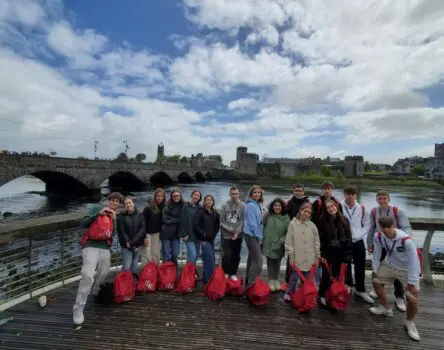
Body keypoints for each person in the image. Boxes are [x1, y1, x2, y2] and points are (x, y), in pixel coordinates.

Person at [73, 192, 123, 325]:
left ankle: (95, 290)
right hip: (91, 245)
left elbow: (112, 235)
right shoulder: (96, 209)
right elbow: (83, 223)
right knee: (87, 275)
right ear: (109, 201)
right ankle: (78, 308)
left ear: (119, 204)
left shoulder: (114, 215)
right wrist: (98, 214)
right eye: (112, 200)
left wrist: (114, 220)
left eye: (117, 202)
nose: (114, 203)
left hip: (105, 248)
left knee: (104, 272)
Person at [369, 216, 421, 341]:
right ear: (380, 227)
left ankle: (409, 323)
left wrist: (412, 281)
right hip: (389, 264)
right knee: (376, 281)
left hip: (406, 269)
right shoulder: (379, 236)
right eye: (383, 227)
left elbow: (414, 261)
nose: (386, 230)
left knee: (412, 299)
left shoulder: (406, 240)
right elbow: (376, 254)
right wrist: (375, 270)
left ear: (394, 226)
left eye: (389, 227)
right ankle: (386, 308)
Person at [367, 190, 412, 311]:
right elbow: (372, 228)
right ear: (376, 200)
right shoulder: (373, 211)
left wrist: (404, 242)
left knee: (397, 269)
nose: (382, 201)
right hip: (380, 244)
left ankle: (399, 297)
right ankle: (378, 290)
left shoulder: (398, 211)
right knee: (380, 267)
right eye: (379, 198)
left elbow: (407, 228)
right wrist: (369, 243)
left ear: (389, 199)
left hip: (395, 245)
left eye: (384, 198)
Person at [340, 185, 374, 304]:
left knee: (360, 265)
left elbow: (367, 224)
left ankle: (360, 289)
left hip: (358, 240)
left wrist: (359, 235)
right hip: (344, 240)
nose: (349, 196)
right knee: (346, 264)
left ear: (356, 195)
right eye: (347, 193)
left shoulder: (362, 208)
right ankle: (347, 285)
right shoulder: (339, 206)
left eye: (352, 194)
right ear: (344, 195)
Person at [318, 199, 353, 306]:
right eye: (328, 207)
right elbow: (321, 239)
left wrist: (348, 255)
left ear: (336, 206)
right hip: (328, 252)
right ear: (325, 210)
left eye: (332, 206)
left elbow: (349, 238)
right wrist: (321, 254)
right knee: (326, 275)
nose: (331, 209)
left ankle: (334, 292)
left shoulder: (344, 220)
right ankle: (322, 294)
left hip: (341, 252)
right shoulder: (322, 220)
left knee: (338, 275)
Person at [283, 202, 320, 301]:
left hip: (310, 258)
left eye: (309, 213)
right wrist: (291, 257)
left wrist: (317, 257)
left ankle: (304, 293)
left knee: (308, 279)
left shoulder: (312, 226)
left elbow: (316, 242)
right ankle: (289, 293)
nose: (306, 214)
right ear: (300, 211)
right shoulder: (292, 224)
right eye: (305, 211)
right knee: (294, 278)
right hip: (297, 257)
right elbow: (288, 242)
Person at [262, 198, 290, 291]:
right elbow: (262, 226)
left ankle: (276, 279)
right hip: (268, 243)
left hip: (279, 244)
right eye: (275, 205)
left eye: (279, 206)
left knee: (277, 262)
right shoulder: (267, 216)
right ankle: (271, 280)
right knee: (270, 262)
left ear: (282, 207)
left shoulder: (286, 218)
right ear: (272, 207)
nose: (277, 207)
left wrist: (282, 240)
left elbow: (288, 232)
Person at [284, 183, 310, 284]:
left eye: (300, 191)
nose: (298, 193)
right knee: (291, 257)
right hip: (293, 233)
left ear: (303, 192)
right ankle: (288, 280)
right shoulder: (289, 203)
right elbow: (283, 214)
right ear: (293, 191)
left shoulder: (307, 203)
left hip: (305, 234)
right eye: (296, 191)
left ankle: (303, 281)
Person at [220, 186, 245, 281]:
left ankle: (233, 273)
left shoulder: (243, 206)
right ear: (229, 194)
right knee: (226, 255)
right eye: (233, 194)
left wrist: (237, 232)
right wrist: (232, 231)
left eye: (236, 194)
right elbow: (222, 221)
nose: (235, 196)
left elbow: (242, 220)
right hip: (226, 235)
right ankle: (225, 272)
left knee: (236, 255)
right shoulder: (224, 205)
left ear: (238, 194)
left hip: (238, 235)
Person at [194, 194, 220, 283]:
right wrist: (203, 234)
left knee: (211, 259)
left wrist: (214, 233)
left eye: (211, 200)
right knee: (209, 260)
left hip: (212, 239)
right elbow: (196, 225)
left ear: (213, 202)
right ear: (204, 201)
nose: (209, 201)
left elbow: (217, 225)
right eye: (207, 200)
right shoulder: (200, 212)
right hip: (204, 240)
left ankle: (206, 278)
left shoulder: (215, 212)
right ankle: (208, 279)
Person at [117, 197, 146, 277]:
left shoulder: (140, 215)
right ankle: (124, 285)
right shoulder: (121, 216)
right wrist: (128, 242)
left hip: (137, 244)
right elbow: (122, 231)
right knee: (126, 266)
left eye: (129, 202)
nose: (128, 205)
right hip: (126, 245)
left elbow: (142, 229)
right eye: (126, 204)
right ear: (124, 206)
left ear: (133, 203)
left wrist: (132, 242)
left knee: (134, 264)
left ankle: (134, 283)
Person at [243, 185, 264, 287]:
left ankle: (247, 281)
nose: (257, 194)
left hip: (254, 234)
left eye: (259, 192)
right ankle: (252, 283)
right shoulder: (251, 205)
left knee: (251, 259)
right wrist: (259, 237)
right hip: (251, 235)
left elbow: (260, 222)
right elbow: (253, 224)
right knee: (259, 262)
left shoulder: (258, 204)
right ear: (251, 194)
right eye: (255, 192)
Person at [141, 188, 166, 266]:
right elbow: (142, 223)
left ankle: (155, 271)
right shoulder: (148, 208)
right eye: (158, 196)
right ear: (155, 196)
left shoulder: (163, 207)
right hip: (147, 234)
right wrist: (144, 237)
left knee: (156, 254)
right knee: (146, 254)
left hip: (157, 233)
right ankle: (145, 273)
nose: (160, 198)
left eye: (162, 196)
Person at [161, 189, 184, 271]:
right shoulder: (166, 206)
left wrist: (172, 219)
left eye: (177, 195)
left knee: (175, 254)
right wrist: (178, 220)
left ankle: (174, 271)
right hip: (166, 233)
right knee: (166, 254)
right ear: (171, 197)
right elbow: (164, 220)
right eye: (174, 196)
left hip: (176, 234)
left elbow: (184, 219)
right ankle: (165, 272)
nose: (176, 197)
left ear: (180, 196)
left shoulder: (183, 206)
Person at [180, 190, 202, 264]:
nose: (196, 196)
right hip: (188, 235)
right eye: (195, 194)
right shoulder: (185, 206)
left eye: (198, 195)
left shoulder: (199, 207)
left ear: (199, 198)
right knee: (193, 255)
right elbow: (182, 220)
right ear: (192, 195)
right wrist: (183, 234)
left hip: (197, 235)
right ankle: (190, 271)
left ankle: (190, 271)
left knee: (196, 254)